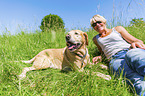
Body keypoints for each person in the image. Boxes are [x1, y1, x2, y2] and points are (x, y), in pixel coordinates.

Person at [90, 14, 145, 96]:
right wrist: (100, 57)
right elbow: (103, 53)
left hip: (128, 50)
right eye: (94, 25)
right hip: (115, 59)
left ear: (104, 22)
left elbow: (135, 40)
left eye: (98, 22)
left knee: (136, 57)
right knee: (134, 79)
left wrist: (137, 43)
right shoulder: (96, 39)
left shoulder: (117, 29)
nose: (97, 25)